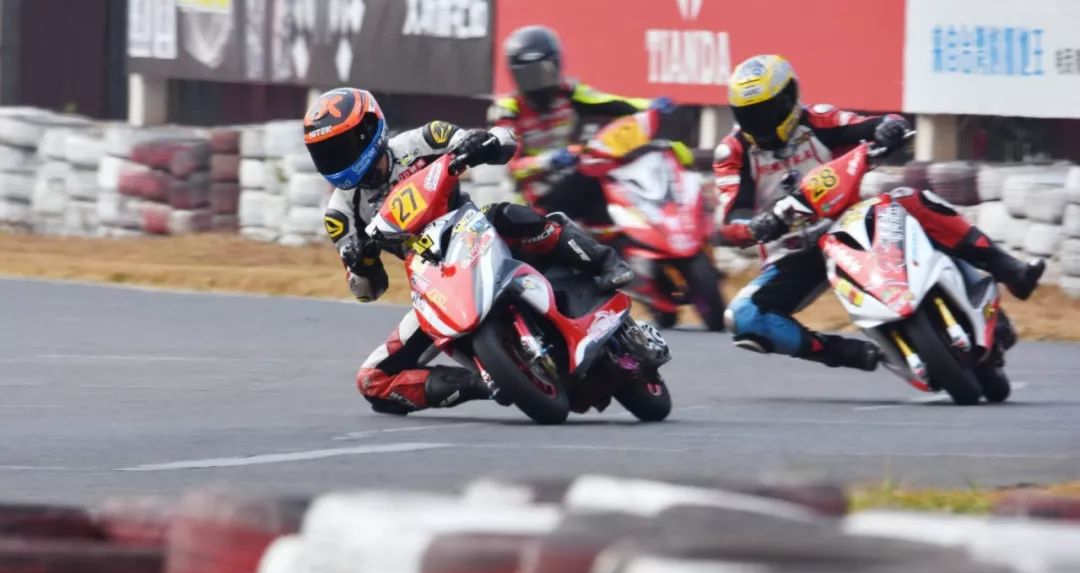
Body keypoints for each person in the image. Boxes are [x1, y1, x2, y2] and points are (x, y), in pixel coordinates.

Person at [304, 87, 633, 415]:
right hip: (431, 280)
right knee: (373, 381)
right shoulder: (340, 215)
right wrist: (360, 263)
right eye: (325, 153)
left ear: (369, 130)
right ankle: (482, 383)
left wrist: (482, 143)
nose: (336, 159)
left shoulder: (423, 139)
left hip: (472, 227)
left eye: (341, 147)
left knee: (513, 215)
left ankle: (604, 261)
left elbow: (504, 141)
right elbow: (368, 291)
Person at [715, 54, 1044, 371]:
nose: (758, 123)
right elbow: (732, 214)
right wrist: (755, 226)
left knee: (911, 199)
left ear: (789, 98)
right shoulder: (733, 151)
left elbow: (874, 124)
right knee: (742, 317)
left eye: (766, 111)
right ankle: (838, 352)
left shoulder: (819, 119)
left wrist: (889, 128)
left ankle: (1007, 268)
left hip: (849, 221)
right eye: (749, 115)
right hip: (793, 253)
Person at [490, 25, 677, 225]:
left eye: (543, 72)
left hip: (572, 180)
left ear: (557, 66)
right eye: (528, 76)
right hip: (535, 198)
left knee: (609, 174)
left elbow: (610, 102)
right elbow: (513, 167)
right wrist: (550, 160)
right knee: (590, 176)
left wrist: (650, 105)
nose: (537, 82)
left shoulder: (569, 91)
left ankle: (632, 233)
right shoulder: (507, 110)